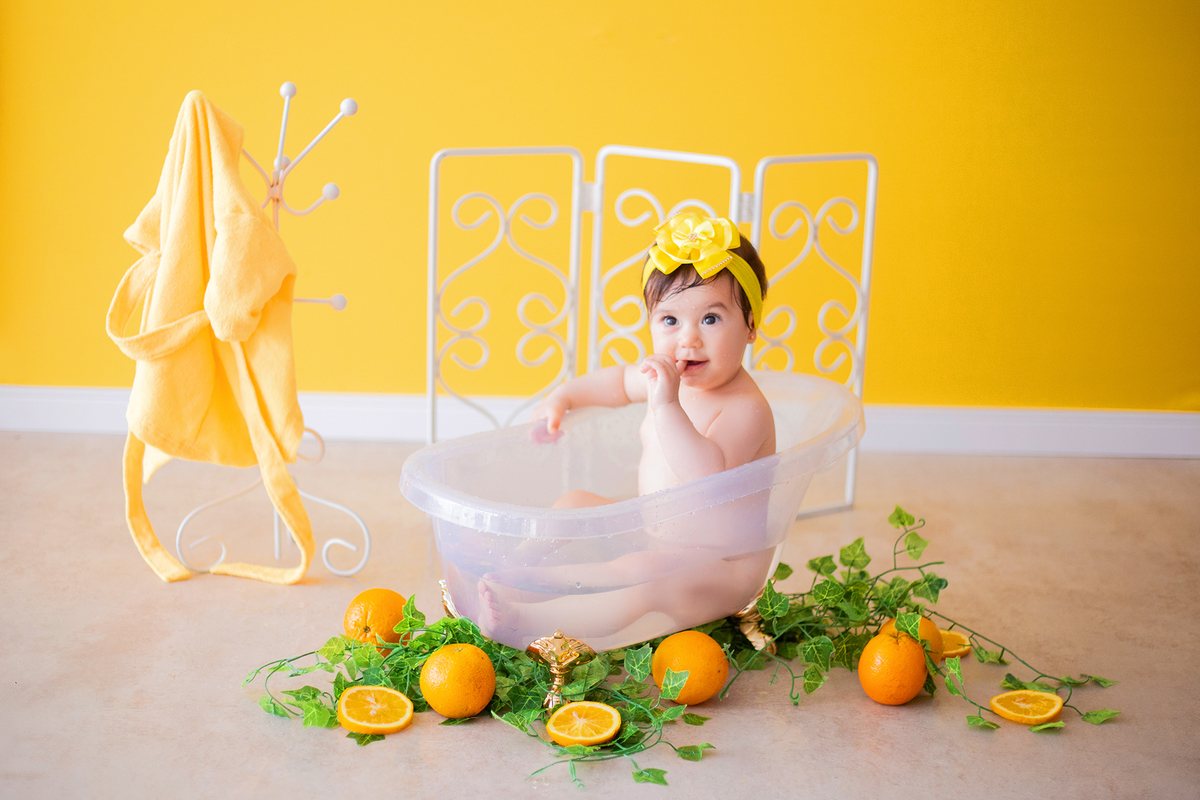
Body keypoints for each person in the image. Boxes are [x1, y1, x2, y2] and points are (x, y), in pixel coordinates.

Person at [472, 212, 778, 645]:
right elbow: (615, 382)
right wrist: (563, 398)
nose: (688, 339)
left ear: (750, 327)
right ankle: (512, 569)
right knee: (575, 502)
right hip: (659, 534)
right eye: (670, 321)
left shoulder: (745, 409)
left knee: (643, 576)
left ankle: (529, 619)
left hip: (722, 570)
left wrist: (666, 404)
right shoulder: (664, 376)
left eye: (710, 319)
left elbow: (705, 479)